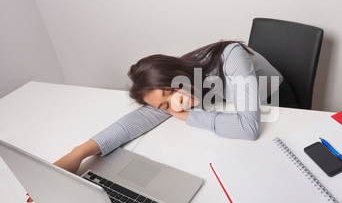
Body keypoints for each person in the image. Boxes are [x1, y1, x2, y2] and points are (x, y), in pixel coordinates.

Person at [54, 41, 298, 173]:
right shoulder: (180, 82)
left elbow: (248, 128)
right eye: (164, 105)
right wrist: (78, 153)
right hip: (233, 109)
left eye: (171, 92)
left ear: (178, 72)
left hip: (278, 104)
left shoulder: (231, 56)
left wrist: (190, 116)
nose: (174, 104)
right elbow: (135, 122)